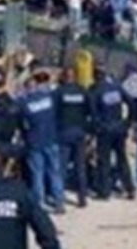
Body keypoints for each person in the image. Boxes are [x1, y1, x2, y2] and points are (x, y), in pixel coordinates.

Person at [19, 72, 66, 214]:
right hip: (51, 140)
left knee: (37, 174)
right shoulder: (49, 98)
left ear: (26, 88)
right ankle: (59, 203)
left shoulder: (24, 104)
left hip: (35, 142)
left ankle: (39, 204)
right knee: (55, 172)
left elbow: (24, 125)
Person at [90, 72, 135, 200]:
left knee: (104, 161)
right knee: (122, 159)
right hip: (119, 128)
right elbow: (131, 103)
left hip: (105, 131)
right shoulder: (117, 87)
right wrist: (128, 122)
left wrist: (97, 128)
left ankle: (104, 192)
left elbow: (93, 113)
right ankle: (130, 188)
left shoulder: (96, 91)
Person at [53, 68, 90, 208]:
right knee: (80, 167)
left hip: (63, 133)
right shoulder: (82, 91)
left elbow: (54, 112)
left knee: (61, 167)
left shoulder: (59, 92)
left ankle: (60, 200)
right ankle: (82, 198)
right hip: (79, 132)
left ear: (64, 77)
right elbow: (89, 110)